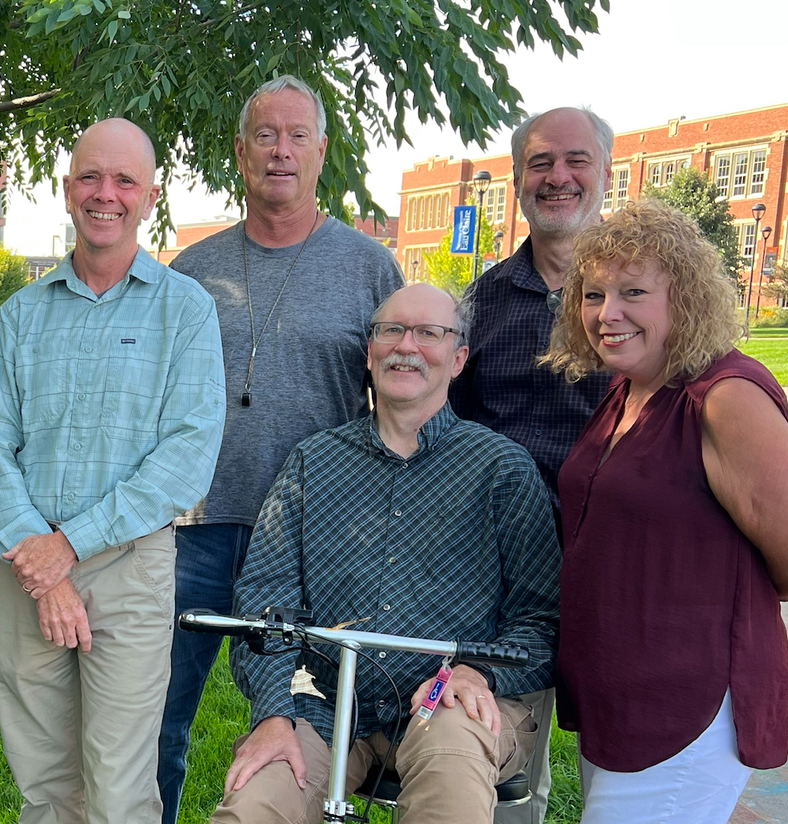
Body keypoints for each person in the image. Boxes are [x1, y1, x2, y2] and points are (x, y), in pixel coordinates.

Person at [213, 283, 559, 824]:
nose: (407, 346)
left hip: (449, 701)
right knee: (257, 806)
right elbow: (264, 602)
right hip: (327, 700)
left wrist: (476, 674)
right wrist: (274, 714)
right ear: (369, 351)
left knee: (451, 787)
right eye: (391, 330)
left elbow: (542, 620)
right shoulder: (314, 462)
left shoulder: (502, 471)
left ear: (459, 357)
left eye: (429, 333)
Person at [543, 199, 788, 824]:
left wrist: (730, 632)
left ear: (685, 298)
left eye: (633, 292)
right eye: (593, 295)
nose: (607, 313)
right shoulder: (627, 391)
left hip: (686, 703)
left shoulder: (726, 397)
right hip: (619, 695)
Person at [159, 75, 403, 822]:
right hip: (195, 531)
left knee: (315, 726)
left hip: (318, 539)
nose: (281, 151)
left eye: (298, 135)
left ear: (322, 151)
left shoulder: (369, 268)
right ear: (239, 151)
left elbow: (400, 400)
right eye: (265, 135)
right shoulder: (190, 274)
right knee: (152, 722)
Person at [0, 117, 227, 824]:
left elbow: (186, 458)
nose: (104, 193)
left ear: (150, 196)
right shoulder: (22, 315)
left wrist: (70, 547)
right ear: (65, 190)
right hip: (25, 566)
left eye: (124, 180)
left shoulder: (186, 310)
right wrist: (43, 560)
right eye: (90, 176)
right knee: (46, 786)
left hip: (129, 566)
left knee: (117, 788)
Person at [448, 106, 615, 824]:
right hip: (503, 577)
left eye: (575, 160)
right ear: (518, 180)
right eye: (541, 163)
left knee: (618, 769)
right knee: (506, 771)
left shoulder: (639, 303)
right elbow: (444, 434)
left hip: (614, 567)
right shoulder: (480, 304)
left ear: (605, 172)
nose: (558, 177)